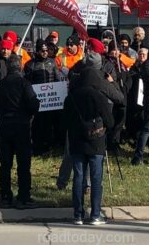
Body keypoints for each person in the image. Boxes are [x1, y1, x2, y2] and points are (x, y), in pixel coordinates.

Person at [64, 65, 115, 225]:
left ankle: (78, 215)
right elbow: (110, 121)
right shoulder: (98, 95)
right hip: (96, 140)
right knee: (96, 178)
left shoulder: (71, 96)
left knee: (78, 177)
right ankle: (95, 214)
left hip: (76, 140)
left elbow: (63, 121)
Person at [0, 55, 40, 209]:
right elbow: (33, 105)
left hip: (5, 126)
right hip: (22, 126)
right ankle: (24, 196)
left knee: (5, 163)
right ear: (20, 66)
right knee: (23, 163)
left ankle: (5, 195)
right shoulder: (24, 84)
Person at [25, 39, 59, 155]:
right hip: (37, 99)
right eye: (42, 50)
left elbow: (57, 79)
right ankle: (37, 147)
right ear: (37, 51)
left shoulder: (52, 62)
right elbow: (27, 83)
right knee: (36, 124)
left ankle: (49, 146)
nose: (45, 53)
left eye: (46, 50)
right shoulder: (30, 64)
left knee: (49, 124)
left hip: (50, 100)